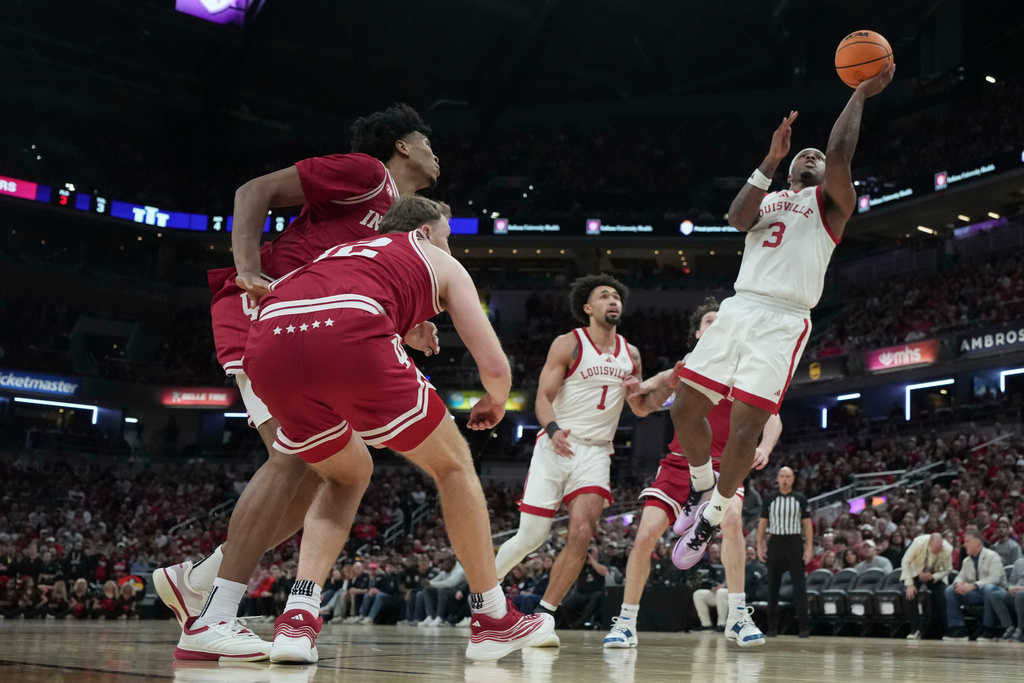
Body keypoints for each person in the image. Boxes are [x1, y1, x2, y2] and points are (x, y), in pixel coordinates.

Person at [154, 103, 443, 661]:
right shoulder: (366, 172)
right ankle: (211, 616)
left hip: (302, 330)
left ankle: (198, 579)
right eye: (427, 142)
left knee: (326, 467)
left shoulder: (394, 217)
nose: (437, 153)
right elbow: (252, 191)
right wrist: (246, 268)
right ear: (403, 146)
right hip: (265, 318)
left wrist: (414, 322)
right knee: (295, 458)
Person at [243, 196, 554, 663]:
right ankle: (492, 618)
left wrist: (405, 326)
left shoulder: (342, 253)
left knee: (344, 474)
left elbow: (332, 304)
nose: (450, 247)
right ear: (426, 232)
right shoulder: (434, 257)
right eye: (448, 237)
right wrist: (495, 397)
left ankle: (298, 617)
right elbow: (492, 365)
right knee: (454, 466)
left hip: (269, 345)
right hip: (349, 335)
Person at [669, 63, 896, 568]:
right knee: (685, 406)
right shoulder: (770, 197)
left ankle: (714, 514)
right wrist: (770, 160)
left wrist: (859, 93)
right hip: (740, 306)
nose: (813, 155)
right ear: (791, 170)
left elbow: (838, 151)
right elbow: (735, 219)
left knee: (747, 428)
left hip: (784, 319)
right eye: (803, 154)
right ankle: (701, 487)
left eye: (816, 156)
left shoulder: (833, 205)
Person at [493, 274, 680, 646]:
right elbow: (543, 398)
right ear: (588, 308)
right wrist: (552, 429)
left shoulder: (632, 354)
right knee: (530, 537)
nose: (613, 300)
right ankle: (482, 590)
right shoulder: (568, 344)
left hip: (596, 452)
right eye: (604, 296)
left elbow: (640, 408)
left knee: (581, 533)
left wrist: (664, 388)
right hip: (555, 445)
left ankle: (543, 616)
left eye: (617, 296)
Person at [605, 298, 781, 649]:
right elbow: (646, 397)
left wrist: (765, 448)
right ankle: (626, 621)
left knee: (732, 522)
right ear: (699, 332)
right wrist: (640, 390)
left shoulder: (745, 368)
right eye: (710, 321)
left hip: (723, 466)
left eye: (722, 320)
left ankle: (737, 616)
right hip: (677, 464)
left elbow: (773, 418)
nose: (716, 325)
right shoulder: (686, 368)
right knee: (644, 536)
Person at [756, 466, 812, 637]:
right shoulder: (769, 499)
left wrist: (809, 546)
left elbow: (807, 524)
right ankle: (772, 628)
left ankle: (803, 627)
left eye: (788, 476)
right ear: (778, 479)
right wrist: (759, 545)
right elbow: (763, 523)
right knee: (773, 586)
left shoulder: (800, 499)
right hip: (776, 543)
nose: (785, 479)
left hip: (794, 542)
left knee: (799, 586)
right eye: (782, 476)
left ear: (793, 479)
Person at [943, 529, 1007, 641]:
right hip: (977, 594)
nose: (964, 544)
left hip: (997, 593)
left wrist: (973, 586)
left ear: (977, 542)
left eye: (967, 541)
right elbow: (960, 577)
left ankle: (989, 629)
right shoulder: (967, 561)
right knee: (950, 590)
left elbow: (994, 579)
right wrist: (959, 585)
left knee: (988, 588)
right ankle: (958, 629)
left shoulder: (993, 556)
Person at [900, 532, 952, 640]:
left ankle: (945, 631)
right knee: (910, 595)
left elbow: (948, 569)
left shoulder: (948, 548)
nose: (937, 551)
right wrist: (909, 584)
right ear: (929, 543)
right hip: (916, 571)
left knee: (942, 595)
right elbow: (905, 561)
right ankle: (915, 630)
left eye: (939, 549)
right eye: (934, 549)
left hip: (935, 574)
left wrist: (933, 577)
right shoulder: (918, 542)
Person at [987, 556, 1024, 642]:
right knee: (995, 595)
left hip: (1021, 594)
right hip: (1016, 592)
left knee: (1020, 595)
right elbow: (1010, 582)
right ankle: (1009, 627)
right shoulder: (1019, 562)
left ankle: (1021, 629)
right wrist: (1011, 588)